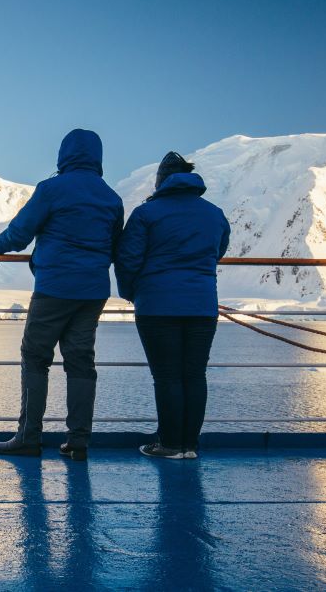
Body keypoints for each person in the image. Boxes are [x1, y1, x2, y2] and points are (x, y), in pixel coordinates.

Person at [0, 129, 124, 460]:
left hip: (54, 288)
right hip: (92, 292)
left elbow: (20, 233)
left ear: (64, 155)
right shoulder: (111, 198)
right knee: (81, 362)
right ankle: (78, 442)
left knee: (35, 357)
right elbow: (116, 246)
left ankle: (29, 438)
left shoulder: (52, 189)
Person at [115, 151, 230, 459]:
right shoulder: (214, 213)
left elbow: (128, 259)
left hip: (156, 305)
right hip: (202, 305)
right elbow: (218, 250)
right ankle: (190, 445)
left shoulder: (146, 213)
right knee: (194, 374)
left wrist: (131, 292)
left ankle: (168, 443)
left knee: (167, 375)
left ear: (161, 181)